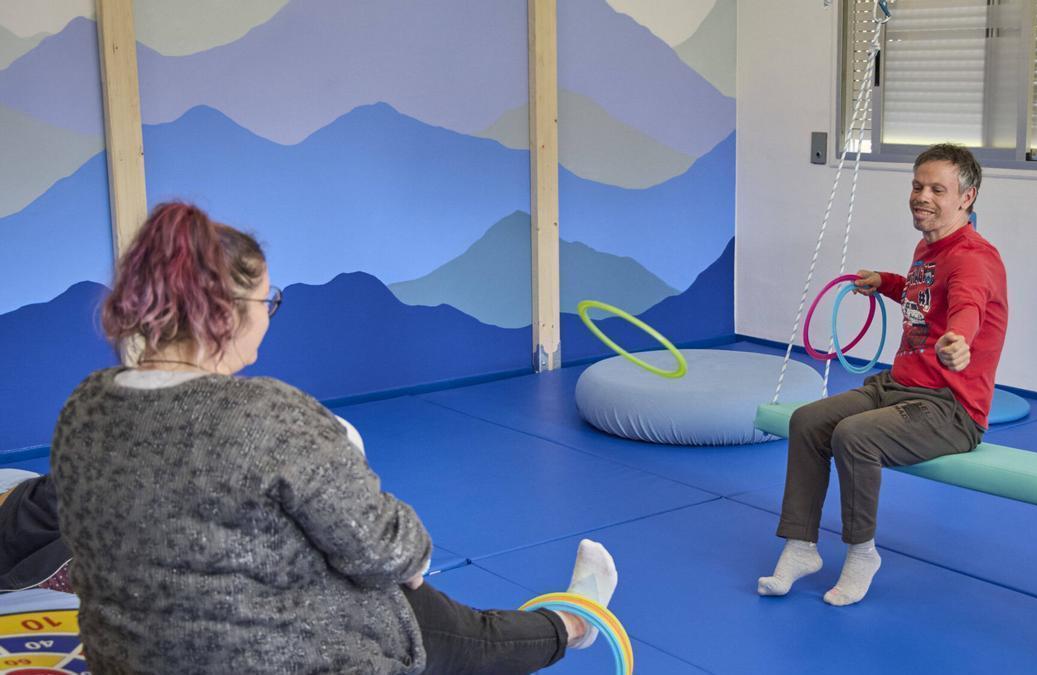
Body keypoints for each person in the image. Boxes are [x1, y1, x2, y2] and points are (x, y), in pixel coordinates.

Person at [51, 202, 618, 673]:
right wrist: (406, 558)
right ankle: (573, 625)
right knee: (417, 612)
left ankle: (567, 625)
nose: (269, 318)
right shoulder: (269, 414)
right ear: (224, 313)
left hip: (128, 660)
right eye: (267, 303)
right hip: (289, 657)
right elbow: (393, 551)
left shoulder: (84, 406)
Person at [757, 143, 1007, 606]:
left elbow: (967, 304)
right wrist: (887, 283)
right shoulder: (930, 244)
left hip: (950, 409)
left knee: (855, 436)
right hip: (899, 387)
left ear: (966, 198)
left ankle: (862, 553)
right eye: (917, 185)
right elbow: (924, 292)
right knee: (807, 421)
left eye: (937, 189)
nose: (922, 197)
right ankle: (801, 546)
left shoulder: (973, 257)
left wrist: (960, 340)